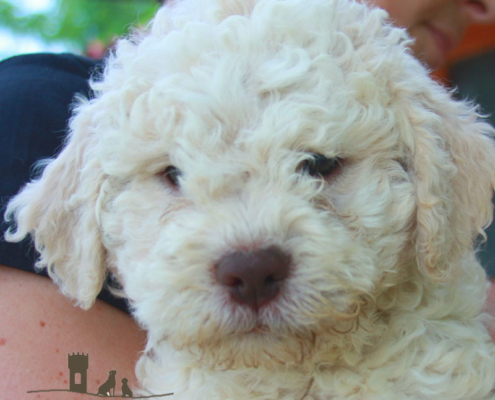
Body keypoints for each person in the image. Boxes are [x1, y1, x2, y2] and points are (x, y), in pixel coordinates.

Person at [1, 0, 495, 397]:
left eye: (320, 166)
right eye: (175, 176)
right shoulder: (27, 103)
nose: (251, 253)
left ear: (431, 174)